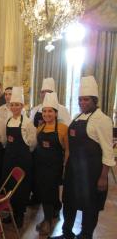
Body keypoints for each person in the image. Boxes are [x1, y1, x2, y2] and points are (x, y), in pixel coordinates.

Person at [51, 76, 115, 239]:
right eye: (80, 100)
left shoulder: (102, 120)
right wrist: (67, 167)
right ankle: (67, 233)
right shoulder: (78, 117)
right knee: (69, 202)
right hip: (74, 170)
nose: (82, 103)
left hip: (92, 173)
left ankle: (86, 235)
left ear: (94, 100)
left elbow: (108, 152)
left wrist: (103, 178)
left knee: (90, 206)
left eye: (86, 100)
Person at [2, 87, 37, 228]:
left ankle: (19, 215)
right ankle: (11, 213)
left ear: (22, 106)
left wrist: (23, 153)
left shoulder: (27, 122)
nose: (14, 107)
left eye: (17, 105)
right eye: (12, 104)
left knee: (22, 187)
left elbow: (33, 142)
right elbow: (6, 140)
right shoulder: (9, 120)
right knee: (10, 185)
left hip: (22, 159)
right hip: (9, 158)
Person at [35, 92, 69, 236]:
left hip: (54, 166)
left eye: (50, 111)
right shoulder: (40, 128)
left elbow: (67, 150)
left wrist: (65, 167)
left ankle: (47, 222)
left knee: (47, 192)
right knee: (49, 191)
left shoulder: (62, 128)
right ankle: (55, 211)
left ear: (55, 113)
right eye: (44, 111)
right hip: (40, 165)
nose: (47, 114)